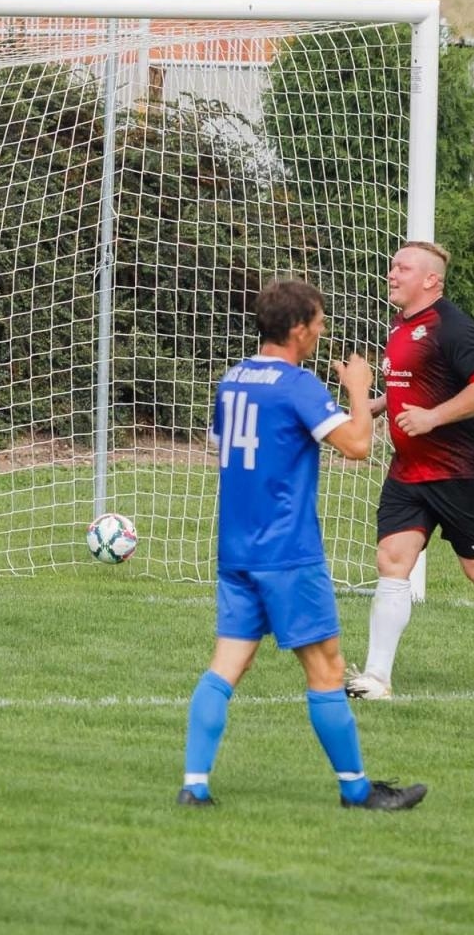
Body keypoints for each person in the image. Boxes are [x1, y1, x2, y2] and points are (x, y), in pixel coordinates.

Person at [178, 279, 425, 811]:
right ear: (296, 328)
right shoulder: (299, 385)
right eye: (316, 322)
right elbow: (357, 446)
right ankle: (357, 790)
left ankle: (194, 784)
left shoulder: (234, 380)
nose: (320, 330)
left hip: (238, 550)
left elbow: (231, 444)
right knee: (327, 670)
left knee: (227, 666)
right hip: (288, 552)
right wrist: (358, 387)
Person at [345, 241, 474, 700]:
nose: (391, 274)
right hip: (409, 472)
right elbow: (415, 383)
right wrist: (375, 404)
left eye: (402, 268)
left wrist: (431, 418)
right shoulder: (401, 326)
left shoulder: (452, 326)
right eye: (392, 267)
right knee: (392, 561)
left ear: (431, 279)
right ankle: (376, 678)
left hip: (459, 471)